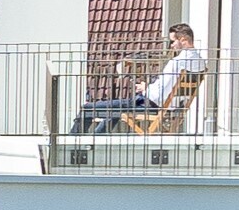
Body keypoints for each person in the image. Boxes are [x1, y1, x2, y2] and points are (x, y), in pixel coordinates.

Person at [70, 23, 206, 134]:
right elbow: (170, 89)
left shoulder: (177, 62)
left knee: (88, 108)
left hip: (150, 104)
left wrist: (145, 88)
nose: (171, 45)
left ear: (183, 40)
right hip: (173, 107)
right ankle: (95, 140)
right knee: (115, 110)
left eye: (173, 41)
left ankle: (72, 141)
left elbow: (160, 92)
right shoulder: (201, 63)